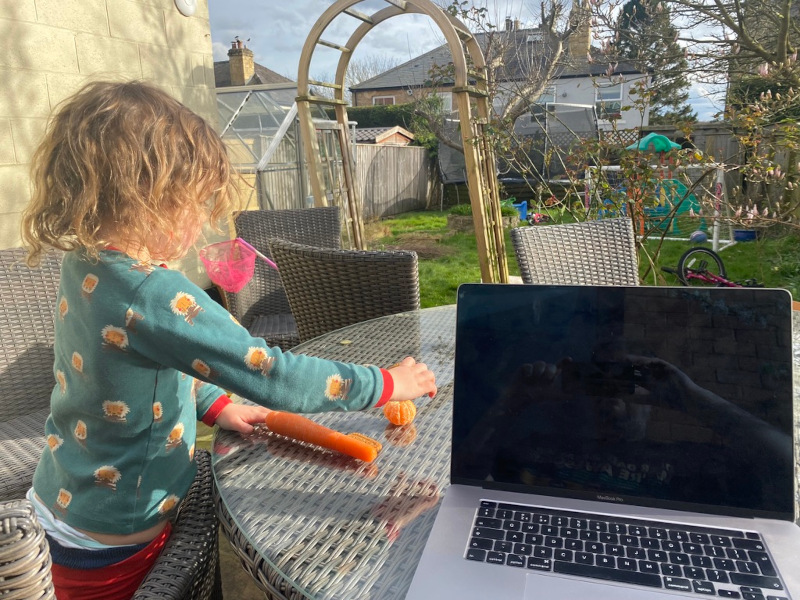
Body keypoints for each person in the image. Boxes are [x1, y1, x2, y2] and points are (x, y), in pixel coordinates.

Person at [20, 80, 437, 600]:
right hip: (114, 543)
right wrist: (387, 382)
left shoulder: (86, 264)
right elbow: (274, 376)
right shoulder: (154, 292)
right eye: (194, 202)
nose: (200, 222)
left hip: (64, 501)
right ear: (151, 197)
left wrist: (216, 405)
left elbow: (132, 371)